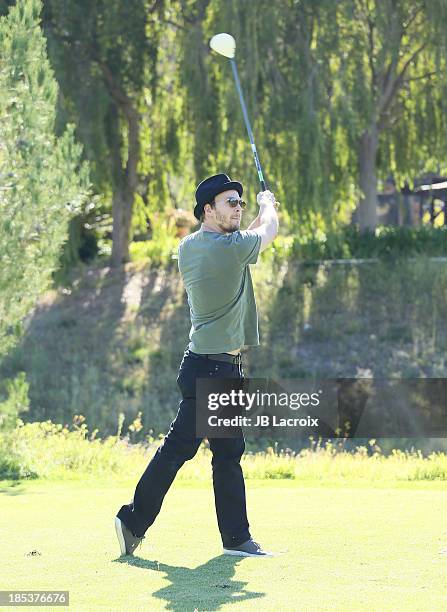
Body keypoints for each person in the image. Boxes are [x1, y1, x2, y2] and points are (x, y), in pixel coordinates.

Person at [115, 173, 279, 557]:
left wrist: (256, 214)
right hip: (213, 371)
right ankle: (132, 521)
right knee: (180, 451)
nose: (239, 208)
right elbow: (266, 230)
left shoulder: (192, 246)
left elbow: (248, 237)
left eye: (241, 203)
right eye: (230, 203)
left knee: (226, 455)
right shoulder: (229, 249)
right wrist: (267, 203)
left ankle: (236, 539)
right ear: (208, 209)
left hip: (212, 366)